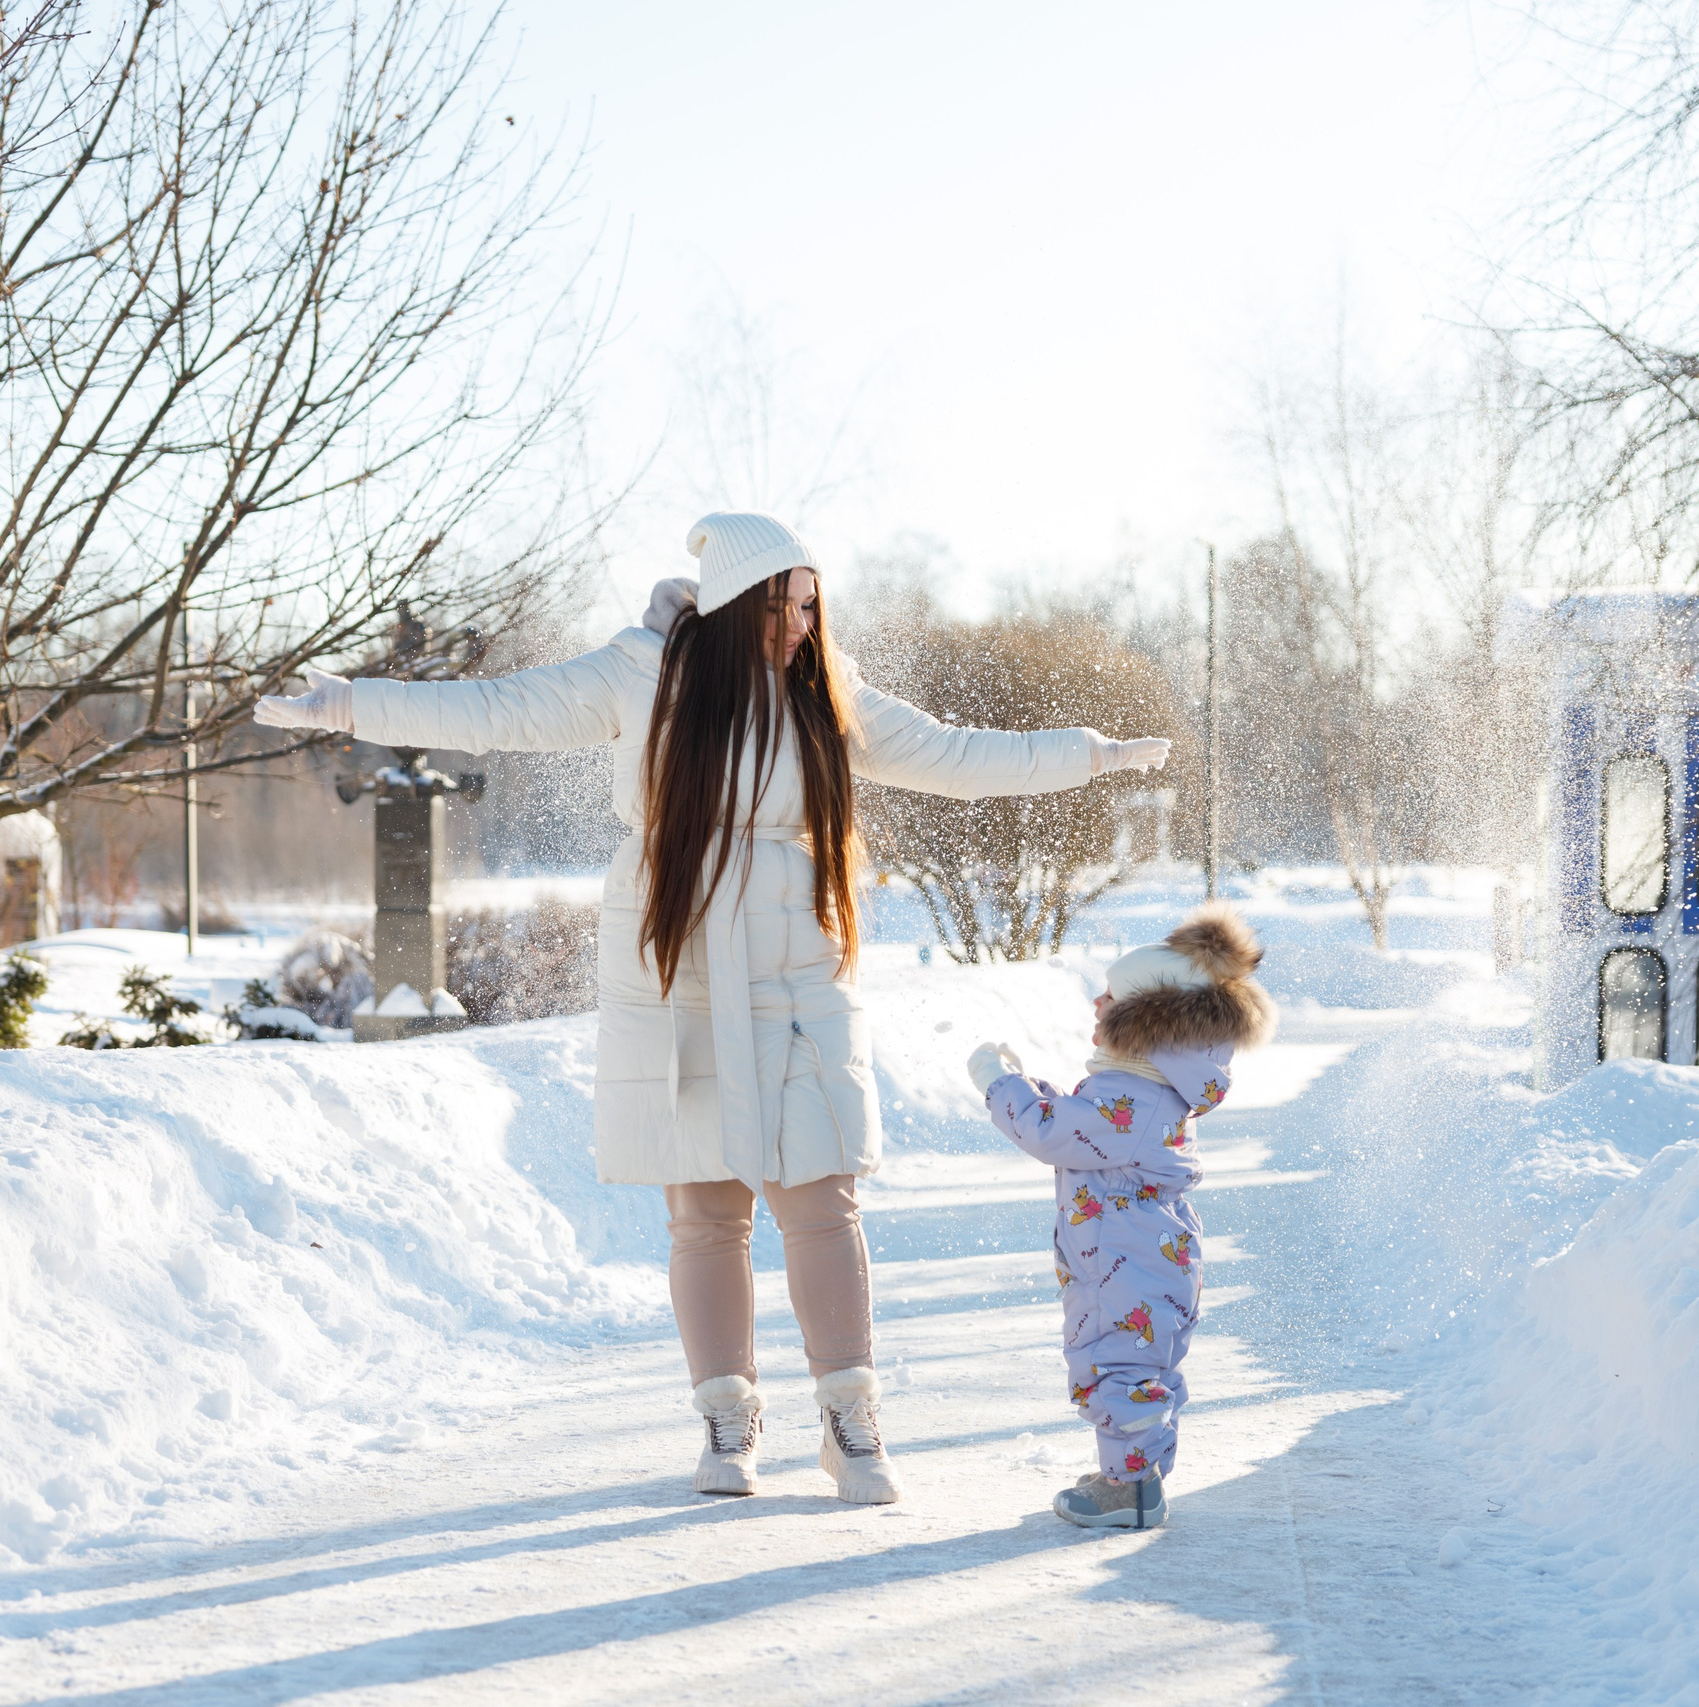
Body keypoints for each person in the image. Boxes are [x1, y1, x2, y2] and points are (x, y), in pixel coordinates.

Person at [257, 512, 1172, 1503]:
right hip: (674, 958)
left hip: (797, 963)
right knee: (702, 1207)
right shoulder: (640, 674)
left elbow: (950, 756)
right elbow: (497, 711)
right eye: (781, 607)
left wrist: (1090, 754)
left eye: (810, 606)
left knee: (820, 1195)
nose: (797, 625)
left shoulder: (827, 691)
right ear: (738, 604)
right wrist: (351, 704)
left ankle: (849, 1421)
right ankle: (726, 1422)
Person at [966, 901, 1271, 1529]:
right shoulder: (1150, 1093)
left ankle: (1129, 1491)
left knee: (1114, 1369)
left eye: (1112, 997)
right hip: (1137, 1257)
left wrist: (1002, 1084)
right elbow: (1086, 1130)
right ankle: (1136, 1473)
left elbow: (1052, 1132)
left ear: (1147, 1022)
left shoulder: (1131, 1097)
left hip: (1122, 1264)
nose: (1097, 1005)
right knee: (1142, 1371)